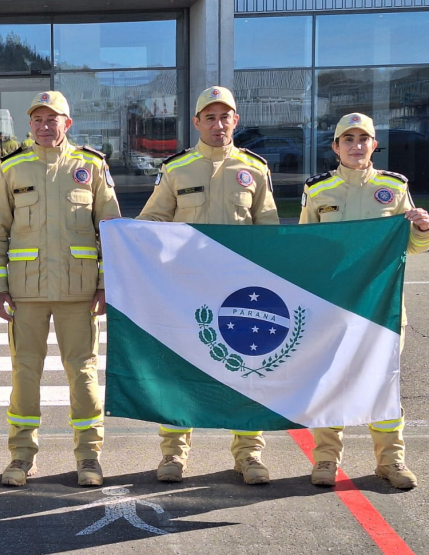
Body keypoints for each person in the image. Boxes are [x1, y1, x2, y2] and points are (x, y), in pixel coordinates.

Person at [136, 86, 279, 485]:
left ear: (236, 120)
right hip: (188, 292)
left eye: (225, 116)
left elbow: (268, 230)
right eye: (210, 117)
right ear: (197, 122)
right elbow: (154, 220)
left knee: (248, 370)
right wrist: (123, 235)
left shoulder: (254, 169)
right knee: (180, 371)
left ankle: (249, 455)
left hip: (240, 295)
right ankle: (173, 455)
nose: (218, 124)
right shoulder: (177, 169)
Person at [0, 91, 121, 487]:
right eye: (37, 120)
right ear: (30, 125)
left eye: (52, 119)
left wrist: (106, 285)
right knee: (25, 374)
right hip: (26, 294)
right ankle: (21, 458)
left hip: (79, 295)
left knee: (83, 375)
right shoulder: (13, 168)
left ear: (67, 123)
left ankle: (89, 458)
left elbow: (110, 232)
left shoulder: (91, 166)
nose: (44, 126)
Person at [300, 112, 429, 490]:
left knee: (382, 383)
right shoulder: (317, 191)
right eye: (348, 139)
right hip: (333, 308)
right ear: (336, 146)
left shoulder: (393, 187)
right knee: (329, 382)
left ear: (374, 145)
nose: (356, 146)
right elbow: (304, 248)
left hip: (381, 306)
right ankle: (326, 460)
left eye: (363, 139)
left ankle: (390, 461)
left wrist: (424, 227)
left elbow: (412, 245)